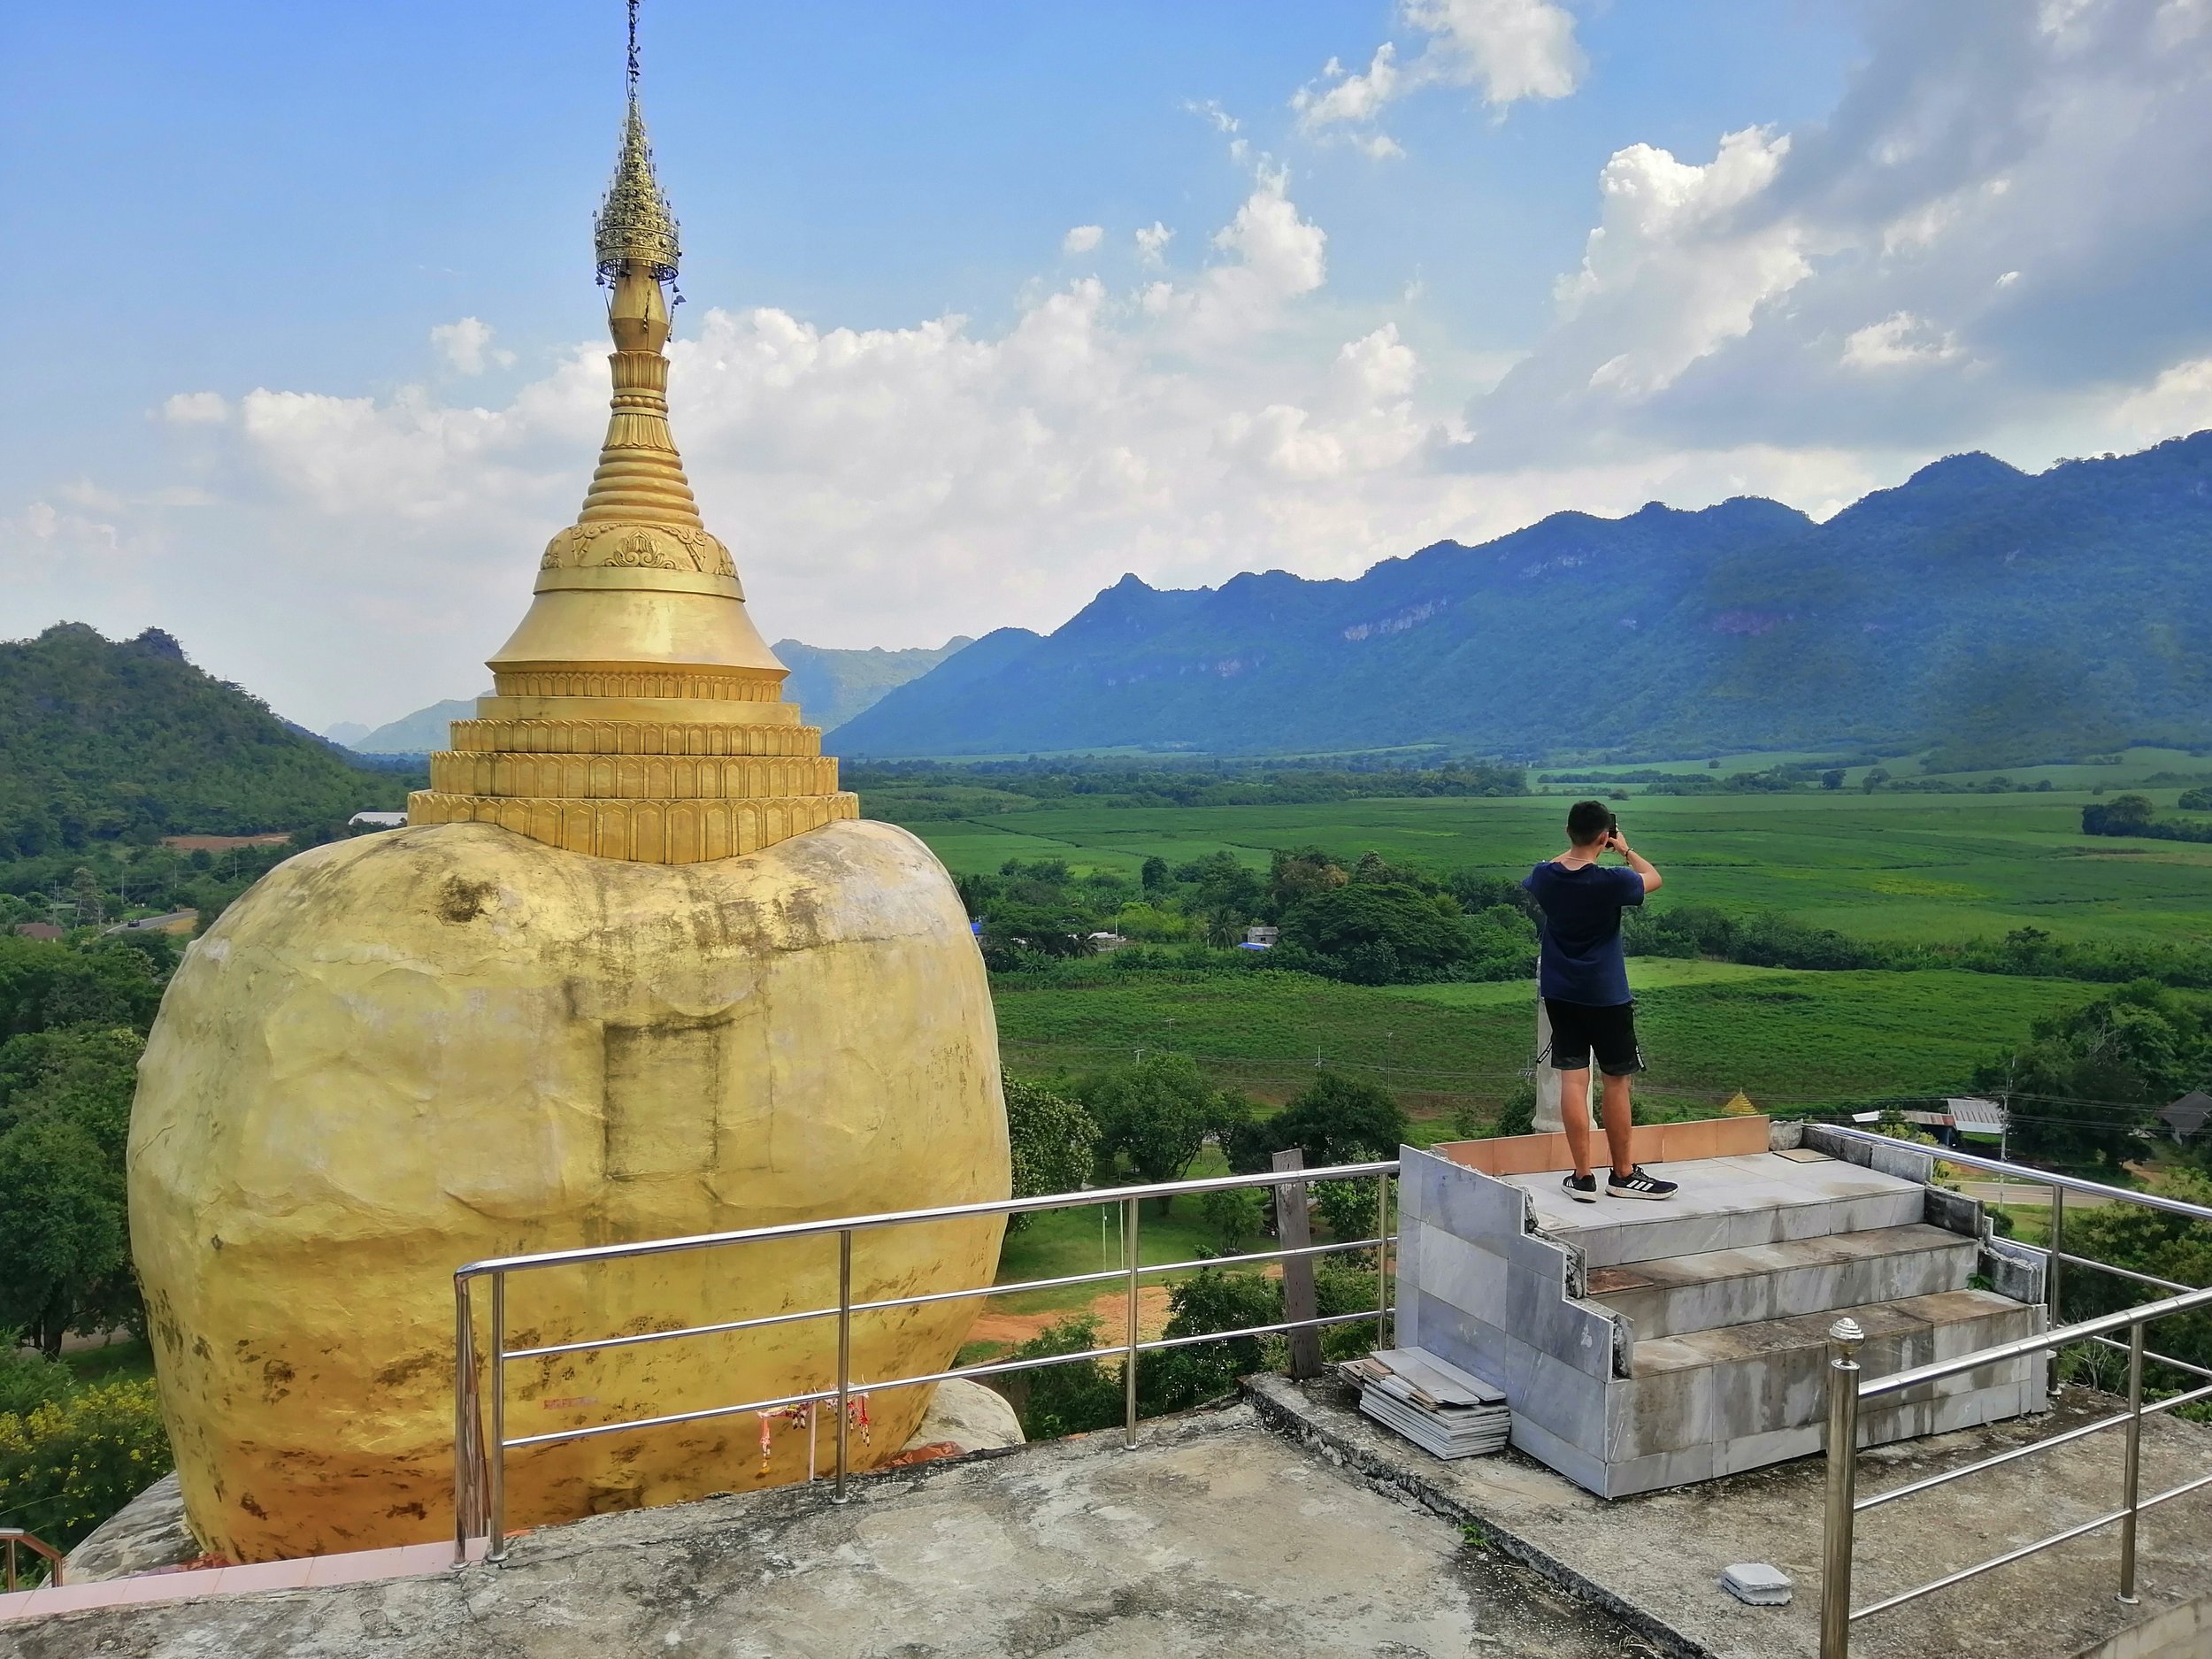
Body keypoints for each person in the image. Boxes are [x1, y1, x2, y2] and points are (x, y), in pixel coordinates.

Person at [1523, 801, 1678, 1203]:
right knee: (1616, 1082)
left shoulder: (1545, 876)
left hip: (1561, 991)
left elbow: (1553, 865)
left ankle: (1582, 1176)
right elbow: (1654, 878)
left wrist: (1581, 846)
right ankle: (1623, 1174)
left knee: (1574, 1081)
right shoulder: (1612, 881)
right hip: (1606, 993)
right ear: (1604, 836)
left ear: (1567, 831)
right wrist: (1624, 849)